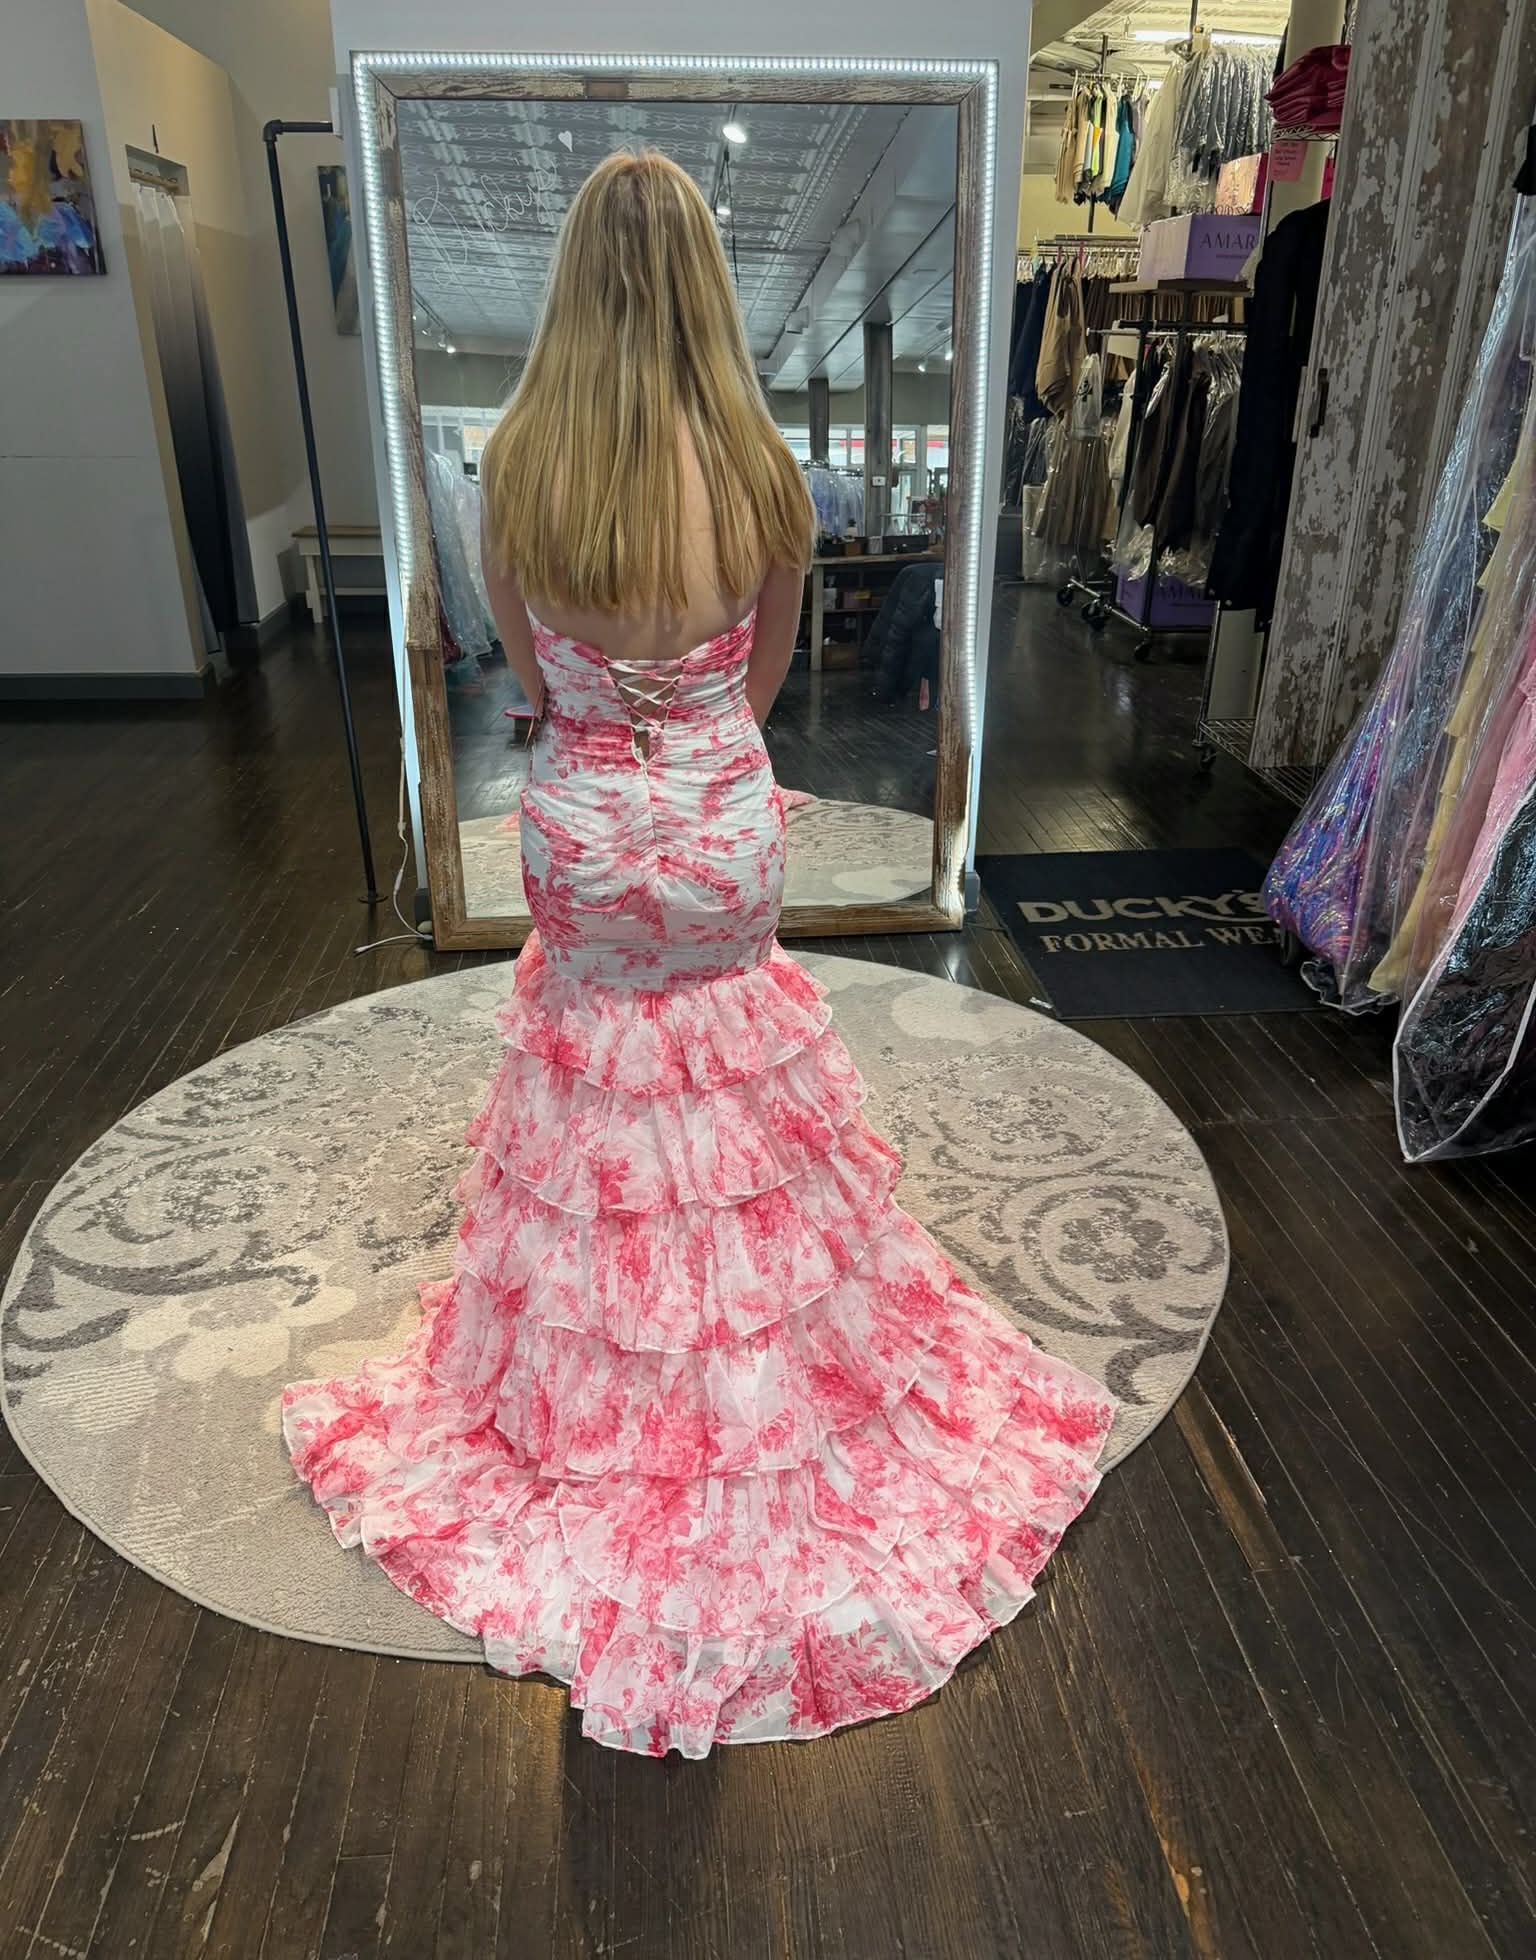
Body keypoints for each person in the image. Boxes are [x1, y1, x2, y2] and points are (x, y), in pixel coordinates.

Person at [282, 150, 1115, 1758]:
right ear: (708, 287)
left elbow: (528, 674)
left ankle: (606, 1381)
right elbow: (770, 674)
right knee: (735, 1084)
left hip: (588, 816)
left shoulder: (524, 460)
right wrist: (696, 730)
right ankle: (751, 1361)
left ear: (573, 282)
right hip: (722, 807)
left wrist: (612, 717)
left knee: (600, 1084)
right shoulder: (755, 459)